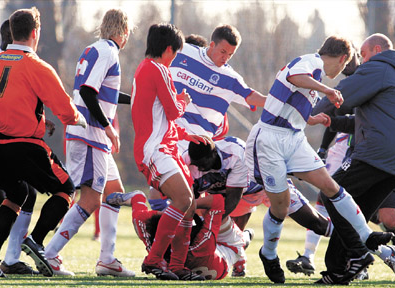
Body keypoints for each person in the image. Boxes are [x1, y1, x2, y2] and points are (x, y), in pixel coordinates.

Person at [245, 35, 393, 284]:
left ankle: (363, 242)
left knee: (331, 187)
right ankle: (268, 253)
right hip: (269, 141)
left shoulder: (316, 75)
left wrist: (311, 118)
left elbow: (294, 103)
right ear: (343, 58)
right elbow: (295, 78)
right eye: (346, 66)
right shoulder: (311, 62)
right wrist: (327, 90)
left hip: (294, 138)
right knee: (280, 206)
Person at [43, 9, 135, 277]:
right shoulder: (109, 52)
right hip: (91, 135)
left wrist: (135, 99)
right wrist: (108, 128)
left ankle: (107, 259)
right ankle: (49, 253)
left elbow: (105, 92)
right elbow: (87, 92)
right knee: (90, 199)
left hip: (89, 135)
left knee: (114, 192)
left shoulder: (93, 49)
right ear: (124, 33)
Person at [0, 7, 87, 278]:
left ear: (12, 32)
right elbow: (64, 109)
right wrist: (78, 118)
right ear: (35, 33)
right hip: (25, 145)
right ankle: (35, 240)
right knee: (66, 190)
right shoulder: (36, 65)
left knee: (16, 196)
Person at [148, 24, 267, 212]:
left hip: (199, 149)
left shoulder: (230, 78)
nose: (225, 58)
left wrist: (277, 102)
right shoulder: (184, 52)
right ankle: (158, 233)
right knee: (158, 192)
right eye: (223, 51)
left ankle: (206, 234)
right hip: (170, 134)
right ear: (211, 44)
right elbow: (156, 61)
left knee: (188, 201)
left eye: (230, 55)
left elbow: (251, 96)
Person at [184, 135, 332, 277]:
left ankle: (350, 242)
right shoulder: (188, 162)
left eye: (202, 164)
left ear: (213, 154)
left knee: (317, 224)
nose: (198, 168)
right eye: (195, 164)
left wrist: (207, 226)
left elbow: (233, 198)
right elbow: (189, 200)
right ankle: (243, 243)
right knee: (223, 235)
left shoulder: (233, 152)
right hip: (232, 194)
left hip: (266, 187)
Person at [317, 33, 395, 284]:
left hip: (376, 154)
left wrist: (302, 114)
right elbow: (372, 119)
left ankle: (359, 254)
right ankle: (339, 270)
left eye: (363, 54)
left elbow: (339, 95)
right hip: (390, 161)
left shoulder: (378, 67)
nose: (361, 61)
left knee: (332, 193)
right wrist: (336, 122)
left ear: (376, 49)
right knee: (352, 208)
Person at [130, 23, 206, 281]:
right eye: (176, 53)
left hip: (163, 147)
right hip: (156, 150)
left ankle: (177, 266)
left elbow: (162, 118)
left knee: (190, 204)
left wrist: (186, 134)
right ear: (169, 49)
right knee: (184, 202)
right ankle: (153, 261)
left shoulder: (145, 69)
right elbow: (174, 112)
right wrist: (183, 102)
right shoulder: (158, 69)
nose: (175, 59)